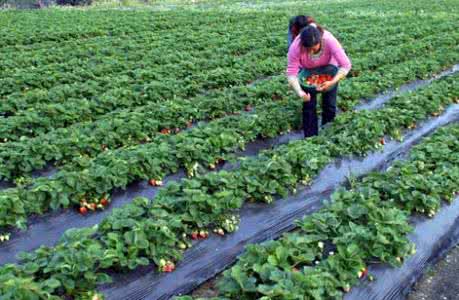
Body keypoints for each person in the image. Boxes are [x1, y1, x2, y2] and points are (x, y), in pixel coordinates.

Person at [286, 19, 351, 138]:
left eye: (314, 48)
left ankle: (328, 133)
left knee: (330, 105)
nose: (311, 51)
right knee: (309, 106)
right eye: (307, 49)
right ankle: (311, 138)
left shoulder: (329, 40)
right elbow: (291, 73)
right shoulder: (296, 46)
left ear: (320, 41)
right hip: (307, 73)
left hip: (329, 72)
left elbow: (346, 65)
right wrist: (300, 92)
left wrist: (332, 81)